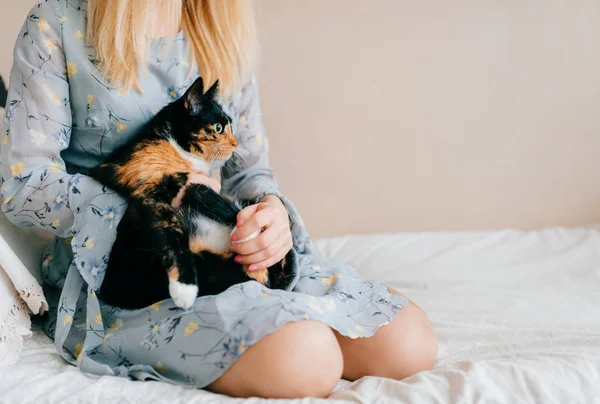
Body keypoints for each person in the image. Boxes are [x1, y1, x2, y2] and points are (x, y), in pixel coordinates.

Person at [0, 0, 437, 399]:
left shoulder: (219, 31)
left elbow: (249, 171)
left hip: (222, 244)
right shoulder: (56, 24)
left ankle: (274, 303)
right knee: (306, 357)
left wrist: (271, 212)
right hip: (125, 269)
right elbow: (23, 186)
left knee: (408, 344)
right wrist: (153, 199)